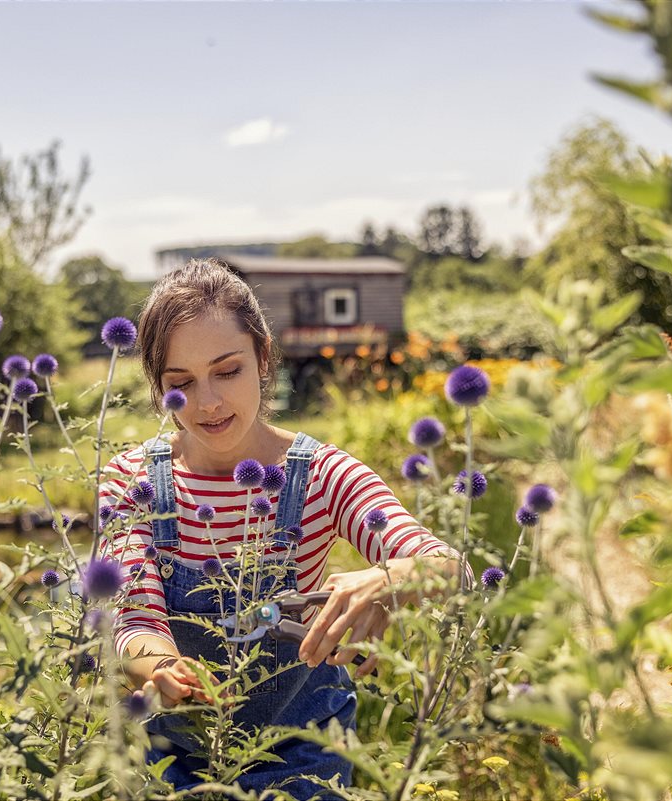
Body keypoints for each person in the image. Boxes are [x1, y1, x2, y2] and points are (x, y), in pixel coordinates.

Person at [98, 258, 474, 798]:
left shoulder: (322, 476)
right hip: (171, 761)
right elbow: (135, 619)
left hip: (304, 760)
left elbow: (450, 566)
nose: (208, 402)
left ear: (263, 357)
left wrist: (391, 577)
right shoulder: (131, 481)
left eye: (228, 371)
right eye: (182, 383)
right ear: (160, 389)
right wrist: (160, 668)